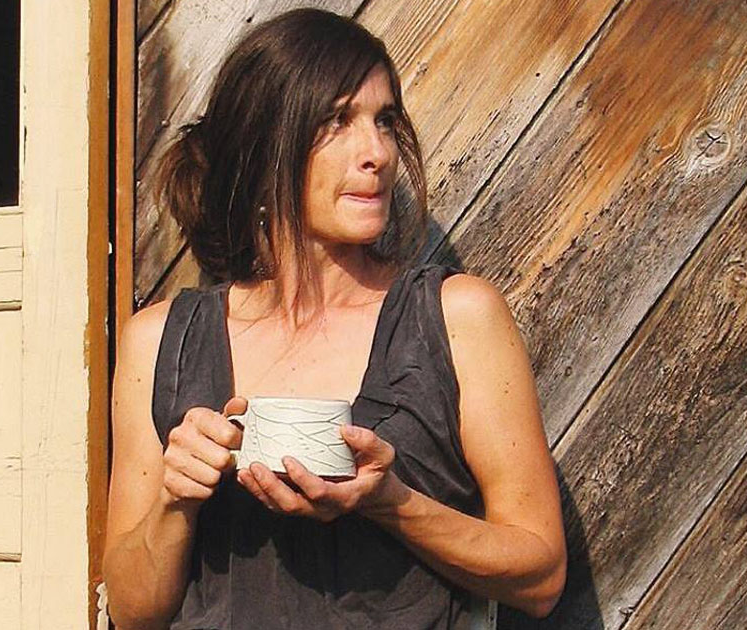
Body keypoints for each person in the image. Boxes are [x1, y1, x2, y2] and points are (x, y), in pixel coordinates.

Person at [103, 9, 566, 630]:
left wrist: (390, 502)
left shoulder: (456, 318)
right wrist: (172, 500)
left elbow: (540, 579)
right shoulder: (161, 341)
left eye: (383, 121)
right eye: (336, 122)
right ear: (264, 146)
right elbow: (133, 615)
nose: (375, 152)